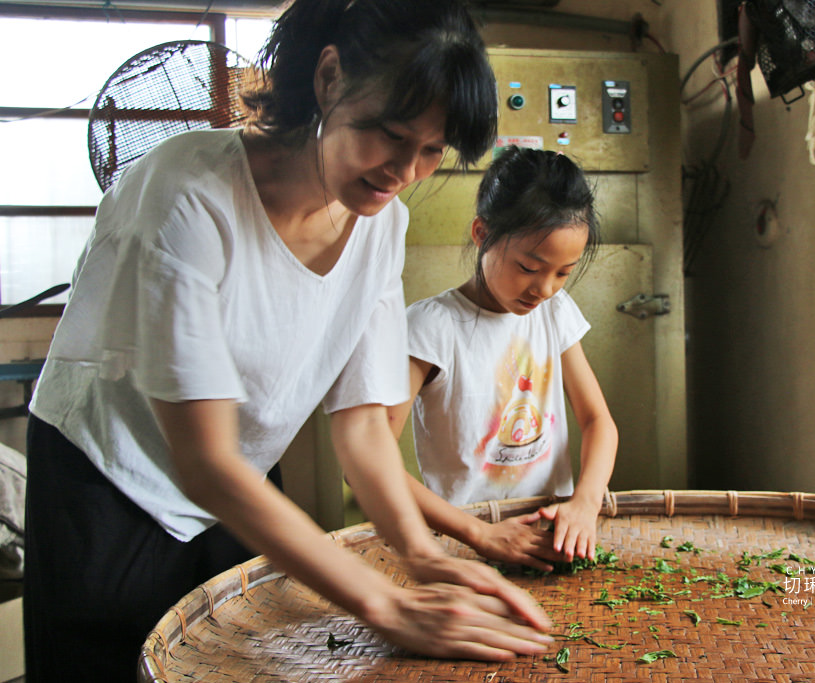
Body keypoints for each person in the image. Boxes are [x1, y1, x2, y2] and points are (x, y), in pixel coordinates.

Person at [22, 2, 554, 680]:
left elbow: (362, 428)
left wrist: (422, 555)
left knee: (230, 660)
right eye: (389, 135)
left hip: (235, 479)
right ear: (329, 77)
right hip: (111, 482)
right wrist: (384, 605)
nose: (403, 172)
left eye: (431, 151)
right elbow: (203, 456)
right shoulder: (187, 193)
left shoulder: (380, 224)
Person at [388, 146, 619, 574]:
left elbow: (598, 421)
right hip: (466, 544)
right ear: (482, 233)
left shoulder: (555, 311)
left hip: (551, 540)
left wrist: (585, 504)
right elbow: (372, 461)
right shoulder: (430, 327)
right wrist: (480, 535)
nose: (545, 288)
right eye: (529, 267)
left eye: (563, 272)